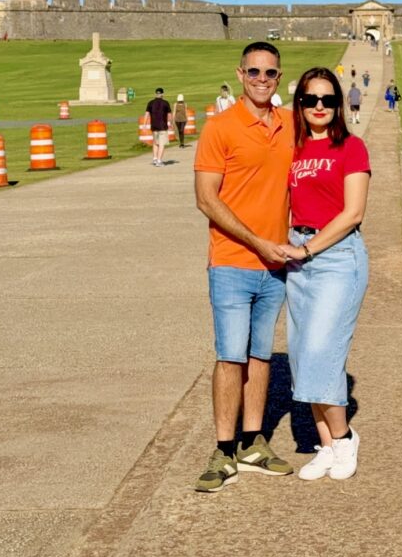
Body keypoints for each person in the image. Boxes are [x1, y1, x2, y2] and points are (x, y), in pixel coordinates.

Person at [192, 42, 295, 491]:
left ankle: (253, 442)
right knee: (230, 355)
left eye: (269, 73)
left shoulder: (289, 123)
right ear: (239, 74)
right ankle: (223, 446)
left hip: (275, 266)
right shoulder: (220, 126)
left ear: (278, 77)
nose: (261, 79)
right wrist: (258, 241)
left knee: (261, 354)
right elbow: (205, 198)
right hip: (233, 261)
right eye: (253, 71)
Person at [280, 68, 371, 480]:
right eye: (310, 99)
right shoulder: (293, 150)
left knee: (321, 350)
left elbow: (353, 213)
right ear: (299, 104)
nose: (319, 107)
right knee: (301, 354)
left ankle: (346, 436)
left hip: (336, 257)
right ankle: (329, 445)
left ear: (338, 105)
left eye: (327, 100)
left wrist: (308, 248)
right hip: (299, 257)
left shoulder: (352, 147)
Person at [146, 88, 172, 166]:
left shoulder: (150, 103)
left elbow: (146, 114)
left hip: (154, 126)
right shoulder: (165, 103)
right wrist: (171, 124)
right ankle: (159, 160)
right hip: (162, 126)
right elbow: (169, 115)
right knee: (161, 144)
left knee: (155, 143)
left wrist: (144, 124)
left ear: (155, 94)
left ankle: (154, 158)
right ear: (162, 94)